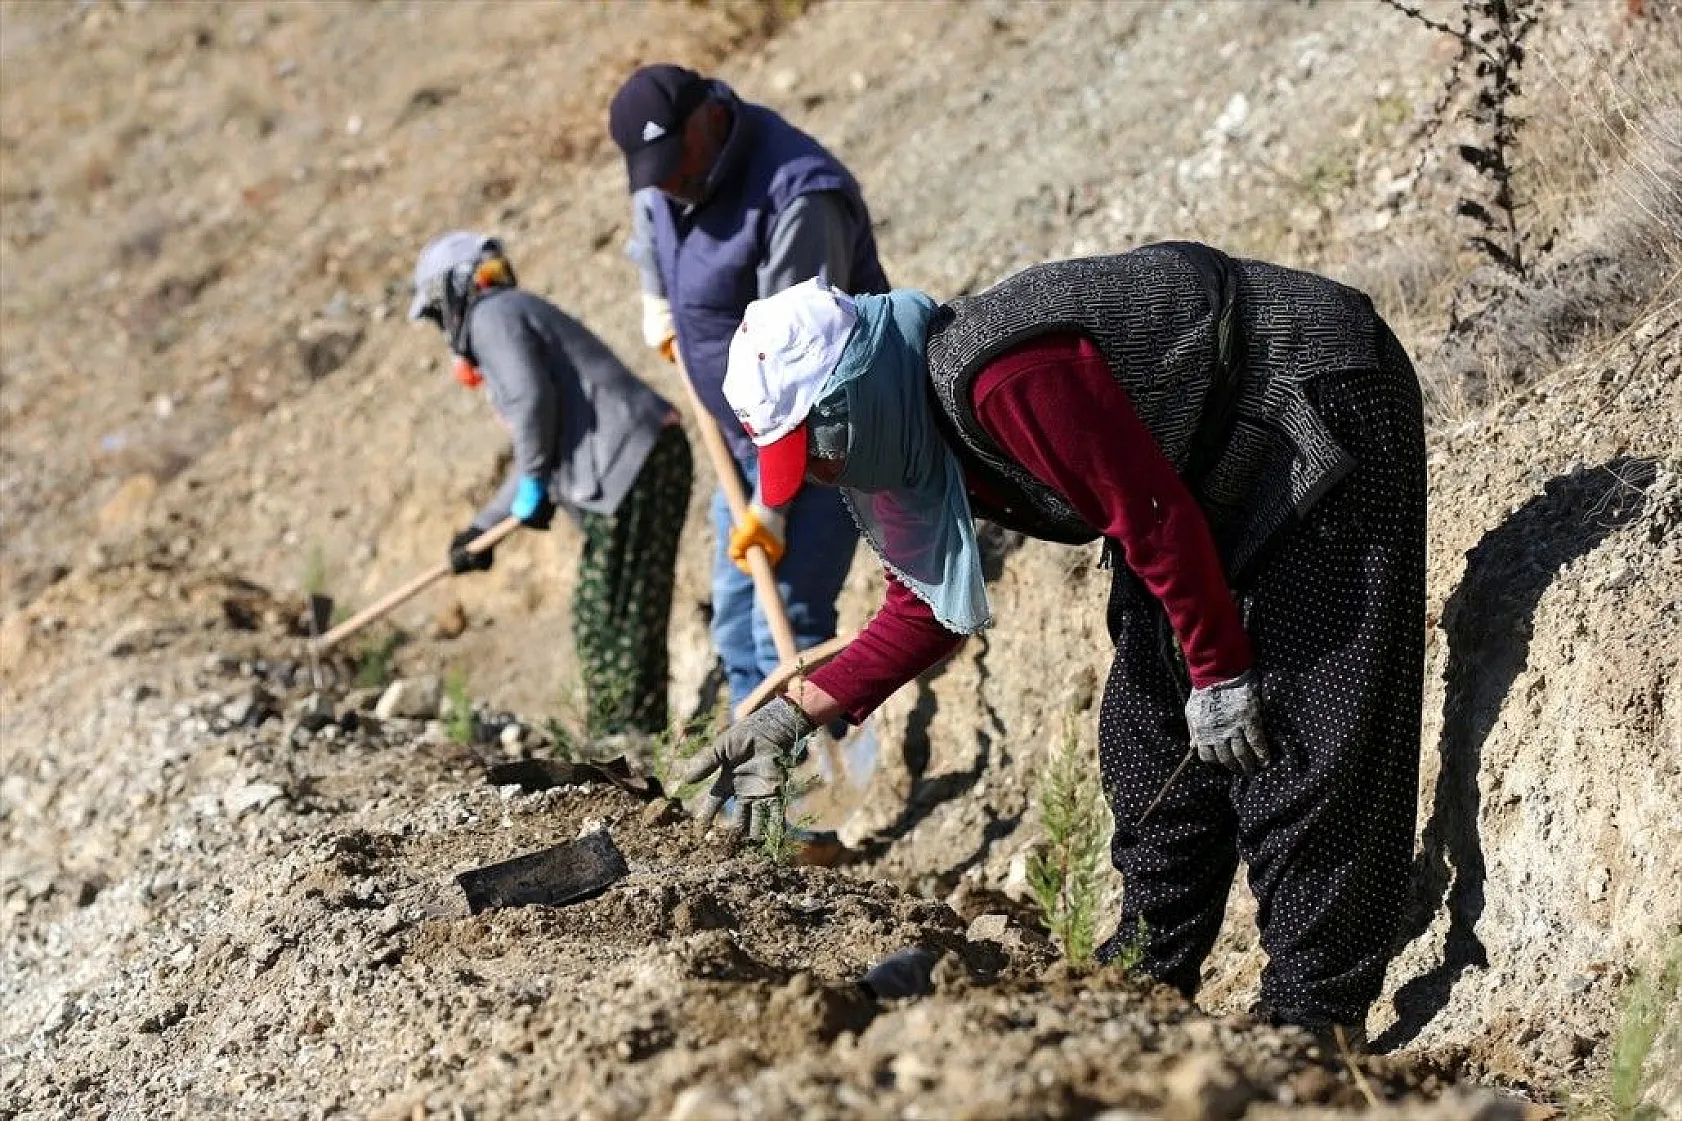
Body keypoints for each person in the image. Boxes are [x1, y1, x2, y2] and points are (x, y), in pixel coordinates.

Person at [682, 243, 1428, 1040]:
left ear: (852, 396)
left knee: (1304, 732)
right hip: (1191, 479)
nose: (822, 476)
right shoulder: (911, 435)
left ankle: (1314, 1020)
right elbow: (922, 609)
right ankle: (1147, 976)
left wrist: (1217, 671)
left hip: (1310, 396)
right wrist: (792, 714)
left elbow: (1149, 518)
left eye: (818, 449)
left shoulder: (1002, 377)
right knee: (1147, 740)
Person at [608, 63, 889, 712]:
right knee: (735, 629)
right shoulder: (671, 177)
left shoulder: (797, 199)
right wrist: (657, 299)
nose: (669, 184)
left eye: (675, 165)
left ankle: (811, 773)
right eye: (655, 173)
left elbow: (804, 370)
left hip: (825, 441)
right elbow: (650, 214)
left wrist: (774, 504)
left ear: (709, 117)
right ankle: (752, 775)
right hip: (743, 444)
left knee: (784, 630)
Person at [408, 231, 692, 737]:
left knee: (613, 614)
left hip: (635, 461)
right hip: (637, 463)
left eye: (434, 312)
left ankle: (627, 744)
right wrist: (481, 529)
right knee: (609, 612)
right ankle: (628, 738)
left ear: (453, 289)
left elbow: (532, 404)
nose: (439, 325)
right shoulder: (507, 315)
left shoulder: (492, 315)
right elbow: (534, 438)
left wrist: (535, 483)